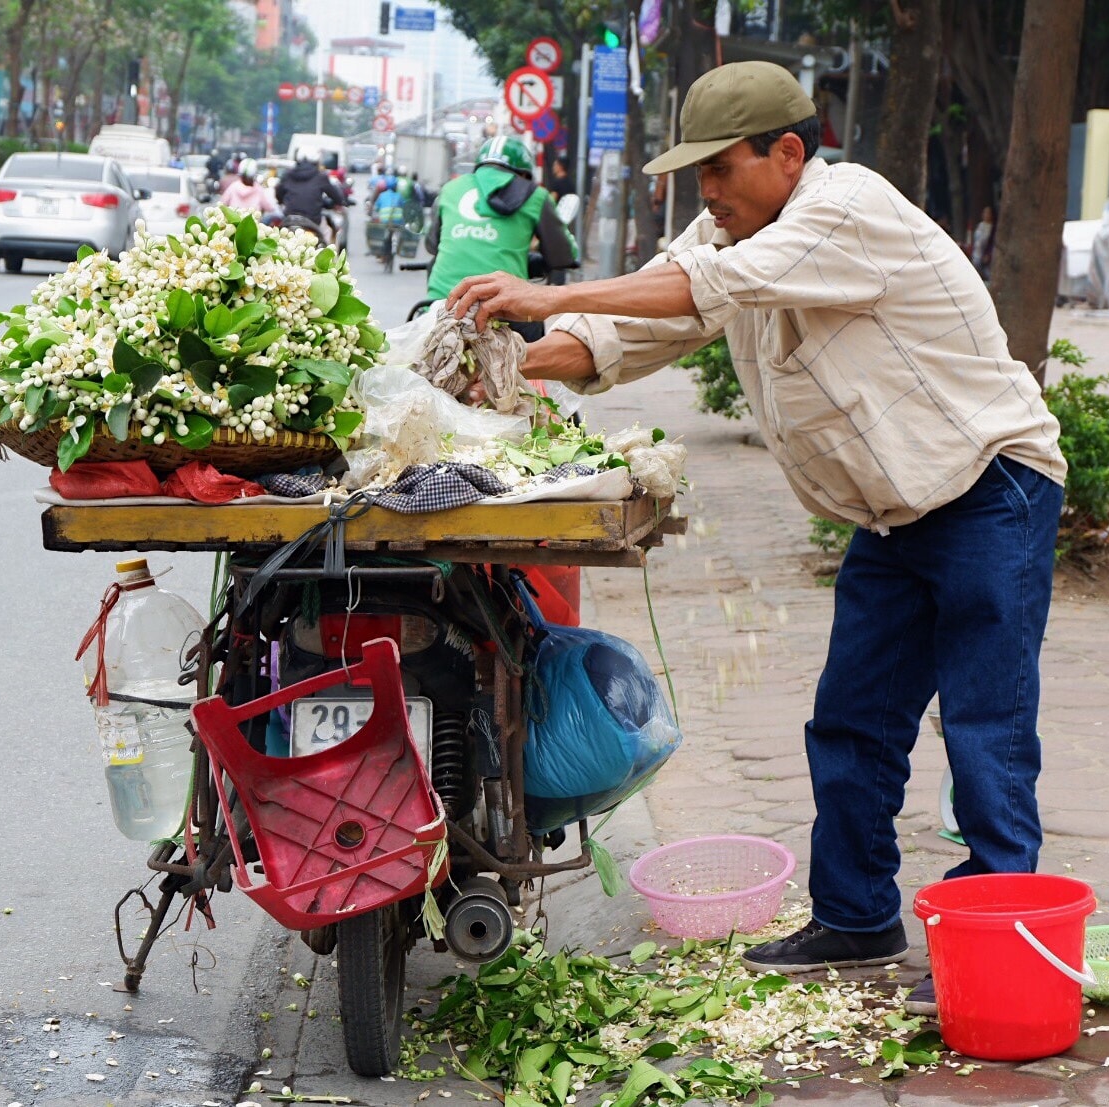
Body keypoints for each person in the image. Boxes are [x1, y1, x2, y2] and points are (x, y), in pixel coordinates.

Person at [447, 61, 1065, 1015]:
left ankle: (1000, 947)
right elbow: (638, 328)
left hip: (991, 489)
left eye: (719, 169)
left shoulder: (845, 206)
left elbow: (712, 284)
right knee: (852, 721)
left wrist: (538, 291)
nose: (706, 192)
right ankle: (856, 918)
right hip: (892, 514)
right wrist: (501, 363)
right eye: (695, 175)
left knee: (986, 728)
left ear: (787, 153)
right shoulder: (730, 230)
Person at [424, 136, 578, 342]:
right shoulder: (536, 196)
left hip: (441, 307)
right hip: (506, 313)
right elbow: (562, 257)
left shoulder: (450, 189)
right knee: (530, 351)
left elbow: (432, 245)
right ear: (524, 173)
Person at [277, 149, 351, 242]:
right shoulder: (321, 177)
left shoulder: (287, 175)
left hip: (289, 220)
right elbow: (336, 197)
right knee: (328, 232)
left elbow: (278, 193)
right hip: (313, 221)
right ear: (316, 162)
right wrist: (339, 202)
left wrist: (282, 201)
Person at [219, 158, 279, 223]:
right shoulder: (258, 189)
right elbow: (270, 208)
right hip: (253, 228)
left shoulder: (233, 186)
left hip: (233, 227)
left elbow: (221, 205)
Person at [970, 205, 995, 279]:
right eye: (985, 212)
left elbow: (992, 243)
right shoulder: (980, 225)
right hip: (976, 254)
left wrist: (988, 254)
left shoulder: (992, 228)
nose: (986, 215)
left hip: (986, 256)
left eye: (988, 213)